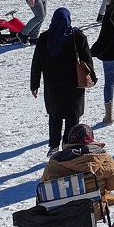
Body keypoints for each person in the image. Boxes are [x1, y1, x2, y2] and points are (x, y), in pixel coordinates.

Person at [30, 8, 94, 152]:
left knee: (55, 116)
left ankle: (54, 146)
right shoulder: (77, 37)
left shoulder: (45, 37)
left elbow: (37, 62)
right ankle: (69, 145)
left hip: (53, 86)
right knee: (73, 117)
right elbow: (87, 60)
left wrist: (34, 84)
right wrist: (92, 78)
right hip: (74, 85)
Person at [41, 124, 114, 220]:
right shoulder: (103, 157)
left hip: (62, 214)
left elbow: (44, 187)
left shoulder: (55, 161)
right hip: (95, 211)